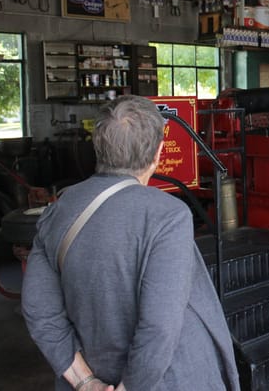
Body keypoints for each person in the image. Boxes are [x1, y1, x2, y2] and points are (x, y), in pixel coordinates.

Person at [23, 95, 240, 391]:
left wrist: (84, 381)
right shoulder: (167, 215)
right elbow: (159, 327)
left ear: (98, 147)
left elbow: (39, 310)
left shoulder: (58, 210)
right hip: (170, 379)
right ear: (158, 153)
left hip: (93, 372)